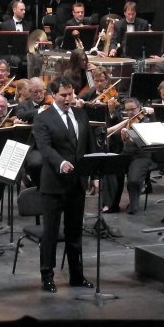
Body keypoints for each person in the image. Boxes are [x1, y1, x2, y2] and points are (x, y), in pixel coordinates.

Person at [32, 79, 98, 292]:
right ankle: (47, 276)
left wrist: (94, 176)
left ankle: (77, 275)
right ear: (53, 95)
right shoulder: (43, 118)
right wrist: (61, 162)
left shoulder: (81, 115)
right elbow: (45, 147)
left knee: (75, 232)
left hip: (77, 183)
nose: (68, 98)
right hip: (54, 183)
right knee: (50, 231)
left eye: (70, 94)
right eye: (63, 95)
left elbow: (88, 147)